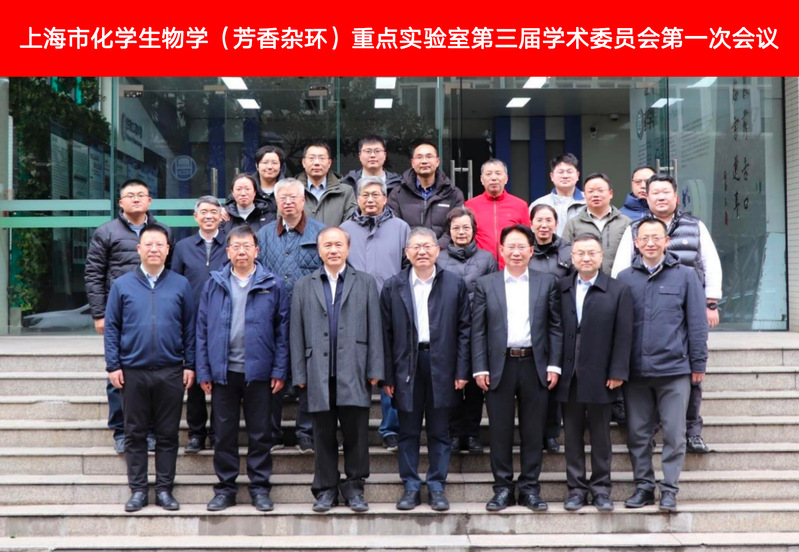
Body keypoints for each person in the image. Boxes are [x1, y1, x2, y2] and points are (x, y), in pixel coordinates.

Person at [612, 174, 722, 453]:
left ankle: (691, 431)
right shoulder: (635, 229)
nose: (660, 197)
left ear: (675, 197)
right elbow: (619, 271)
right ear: (646, 198)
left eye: (665, 192)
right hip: (647, 312)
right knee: (646, 376)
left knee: (691, 372)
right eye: (655, 193)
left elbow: (710, 263)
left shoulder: (695, 226)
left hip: (688, 311)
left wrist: (711, 303)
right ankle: (648, 431)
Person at [616, 218, 708, 512]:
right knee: (638, 434)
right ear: (636, 243)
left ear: (667, 241)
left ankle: (669, 490)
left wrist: (698, 363)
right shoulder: (624, 278)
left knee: (674, 434)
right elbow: (617, 327)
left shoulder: (686, 276)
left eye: (656, 237)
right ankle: (644, 487)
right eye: (645, 238)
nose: (650, 243)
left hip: (674, 370)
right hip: (636, 371)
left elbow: (697, 323)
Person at [196, 225, 289, 513]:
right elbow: (201, 329)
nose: (241, 251)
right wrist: (204, 371)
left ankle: (259, 488)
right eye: (235, 246)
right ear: (227, 251)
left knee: (260, 434)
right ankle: (225, 489)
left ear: (256, 250)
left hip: (259, 372)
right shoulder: (214, 284)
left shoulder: (272, 284)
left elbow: (282, 332)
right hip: (223, 372)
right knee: (224, 434)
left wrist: (279, 370)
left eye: (247, 246)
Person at [291, 226, 384, 513]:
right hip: (317, 371)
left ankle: (355, 487)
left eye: (338, 245)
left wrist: (375, 368)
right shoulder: (304, 285)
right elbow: (296, 332)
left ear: (347, 248)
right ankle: (326, 489)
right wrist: (299, 373)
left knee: (356, 434)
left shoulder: (365, 282)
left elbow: (375, 327)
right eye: (327, 245)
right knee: (322, 435)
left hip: (354, 369)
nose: (333, 250)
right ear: (319, 251)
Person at [104, 226, 195, 512]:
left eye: (159, 245)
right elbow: (112, 329)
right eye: (149, 244)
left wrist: (190, 364)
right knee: (135, 433)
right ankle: (138, 490)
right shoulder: (122, 285)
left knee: (168, 434)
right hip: (133, 371)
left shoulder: (180, 284)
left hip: (171, 370)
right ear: (139, 249)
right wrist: (113, 365)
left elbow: (190, 328)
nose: (154, 249)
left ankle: (165, 490)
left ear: (168, 250)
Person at [472, 224, 563, 513]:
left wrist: (554, 364)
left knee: (533, 431)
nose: (515, 252)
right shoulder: (486, 284)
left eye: (521, 246)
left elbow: (555, 327)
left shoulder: (546, 282)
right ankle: (502, 488)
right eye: (510, 246)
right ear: (500, 250)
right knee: (499, 431)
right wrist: (479, 367)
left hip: (535, 365)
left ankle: (529, 489)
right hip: (499, 365)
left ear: (531, 250)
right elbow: (478, 330)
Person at [381, 227, 471, 512]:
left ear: (437, 250)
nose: (422, 252)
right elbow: (385, 334)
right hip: (406, 365)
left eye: (427, 246)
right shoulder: (393, 286)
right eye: (416, 247)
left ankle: (436, 486)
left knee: (439, 430)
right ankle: (410, 486)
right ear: (407, 252)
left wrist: (462, 370)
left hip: (442, 364)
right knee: (407, 431)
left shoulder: (454, 284)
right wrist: (388, 375)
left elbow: (464, 330)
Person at [85, 178, 172, 454]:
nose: (136, 199)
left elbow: (170, 272)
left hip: (156, 311)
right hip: (120, 312)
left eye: (141, 195)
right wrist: (99, 313)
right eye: (130, 195)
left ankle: (150, 431)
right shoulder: (106, 232)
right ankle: (121, 431)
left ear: (150, 200)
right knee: (118, 372)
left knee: (153, 374)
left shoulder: (162, 232)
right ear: (120, 202)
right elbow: (94, 273)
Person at [556, 234, 633, 512]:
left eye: (591, 253)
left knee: (601, 436)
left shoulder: (618, 290)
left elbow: (624, 334)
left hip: (601, 375)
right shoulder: (562, 287)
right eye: (580, 253)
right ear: (572, 257)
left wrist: (618, 370)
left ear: (601, 256)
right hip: (569, 374)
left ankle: (601, 489)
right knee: (572, 435)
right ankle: (576, 489)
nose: (586, 258)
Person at [340, 176, 410, 453]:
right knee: (353, 368)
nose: (370, 200)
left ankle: (390, 428)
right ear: (357, 199)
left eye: (375, 195)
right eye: (365, 195)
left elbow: (407, 266)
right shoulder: (345, 229)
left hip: (391, 306)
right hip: (353, 308)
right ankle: (351, 429)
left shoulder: (401, 228)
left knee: (389, 368)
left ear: (385, 198)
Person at [257, 178, 326, 453]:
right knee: (272, 374)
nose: (287, 202)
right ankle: (272, 433)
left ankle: (306, 433)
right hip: (271, 316)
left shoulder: (320, 232)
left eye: (293, 197)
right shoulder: (263, 235)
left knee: (310, 373)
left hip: (311, 315)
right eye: (282, 198)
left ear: (303, 200)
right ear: (276, 202)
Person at [435, 206, 498, 453]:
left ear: (473, 230)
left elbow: (494, 294)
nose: (461, 232)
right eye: (456, 228)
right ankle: (453, 433)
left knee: (474, 386)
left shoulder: (487, 259)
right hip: (447, 331)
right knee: (451, 384)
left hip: (478, 329)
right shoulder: (439, 259)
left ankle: (472, 434)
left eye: (466, 227)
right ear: (449, 231)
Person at [171, 196, 228, 454]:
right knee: (193, 376)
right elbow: (174, 283)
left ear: (221, 216)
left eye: (213, 211)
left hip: (224, 320)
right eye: (203, 212)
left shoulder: (230, 244)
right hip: (191, 320)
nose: (208, 216)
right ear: (195, 217)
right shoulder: (183, 247)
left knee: (221, 379)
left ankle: (218, 432)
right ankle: (196, 433)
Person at [528, 203, 573, 452]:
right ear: (531, 223)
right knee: (534, 382)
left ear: (556, 224)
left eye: (548, 220)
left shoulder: (568, 251)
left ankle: (551, 433)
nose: (544, 225)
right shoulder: (525, 250)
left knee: (554, 378)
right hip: (532, 323)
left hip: (560, 322)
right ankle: (534, 432)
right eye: (539, 220)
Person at [387, 140, 464, 238]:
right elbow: (394, 228)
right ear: (412, 163)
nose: (424, 161)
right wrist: (412, 245)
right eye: (419, 157)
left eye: (429, 156)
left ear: (437, 161)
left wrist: (436, 246)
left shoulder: (453, 194)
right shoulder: (397, 194)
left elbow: (455, 228)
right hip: (408, 247)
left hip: (441, 248)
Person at [463, 158, 530, 268]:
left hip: (512, 266)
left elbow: (527, 238)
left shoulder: (520, 205)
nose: (494, 178)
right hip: (479, 267)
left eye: (498, 173)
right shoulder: (469, 206)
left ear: (506, 178)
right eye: (488, 174)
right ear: (481, 179)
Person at [562, 173, 631, 276]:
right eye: (590, 191)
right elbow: (565, 256)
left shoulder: (625, 222)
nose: (595, 195)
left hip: (617, 282)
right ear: (584, 195)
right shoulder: (573, 223)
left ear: (610, 193)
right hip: (583, 281)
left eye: (600, 190)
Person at [297, 142, 357, 226]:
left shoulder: (345, 192)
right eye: (311, 158)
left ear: (329, 163)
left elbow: (351, 225)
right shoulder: (292, 190)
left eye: (322, 158)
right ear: (303, 162)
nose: (317, 163)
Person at [529, 153, 586, 236]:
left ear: (577, 175)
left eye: (569, 172)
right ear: (552, 176)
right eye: (561, 172)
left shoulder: (588, 201)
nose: (565, 176)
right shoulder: (538, 204)